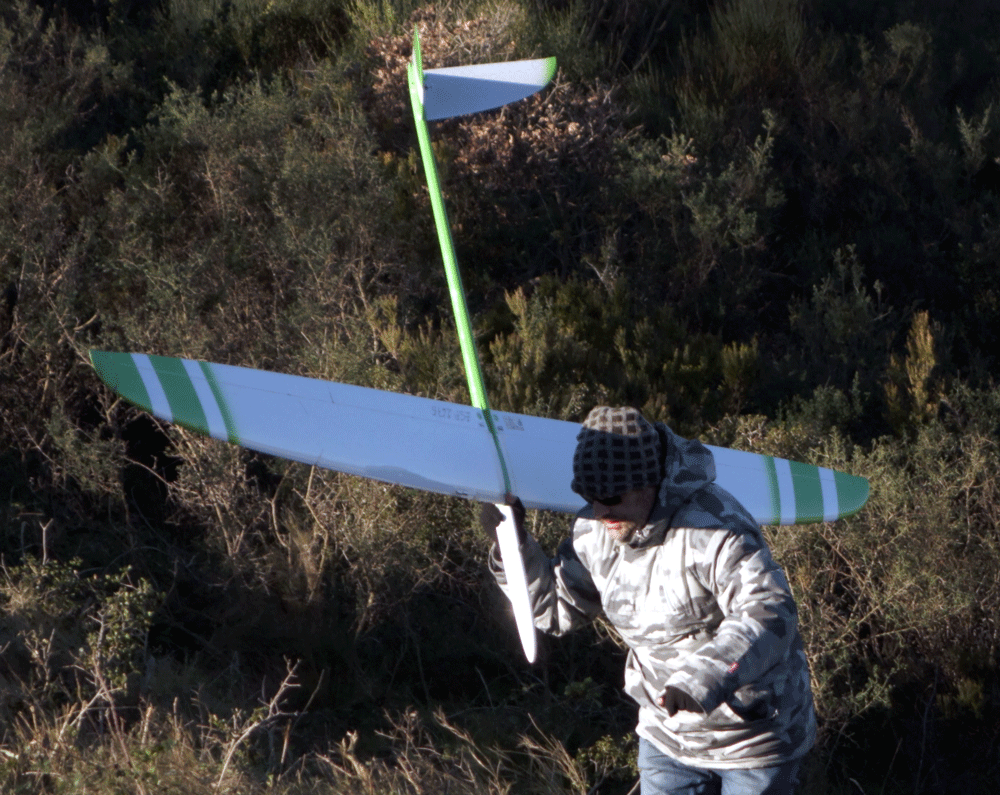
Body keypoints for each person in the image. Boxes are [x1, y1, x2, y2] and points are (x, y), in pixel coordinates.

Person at [480, 406, 815, 795]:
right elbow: (555, 611)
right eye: (588, 495)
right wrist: (513, 546)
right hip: (666, 738)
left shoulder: (716, 527)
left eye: (611, 496)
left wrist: (702, 676)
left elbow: (769, 612)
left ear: (648, 482)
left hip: (753, 742)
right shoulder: (593, 531)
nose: (600, 510)